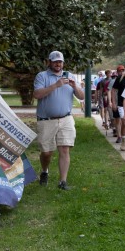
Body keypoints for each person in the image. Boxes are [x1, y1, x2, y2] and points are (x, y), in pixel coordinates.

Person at [33, 50, 85, 190]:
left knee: (64, 150)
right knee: (46, 152)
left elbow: (81, 96)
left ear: (63, 63)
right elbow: (37, 94)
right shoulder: (42, 76)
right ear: (49, 62)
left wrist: (75, 86)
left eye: (60, 61)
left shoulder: (70, 76)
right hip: (46, 120)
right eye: (55, 61)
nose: (58, 64)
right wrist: (56, 85)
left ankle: (62, 182)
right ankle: (44, 171)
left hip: (66, 119)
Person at [110, 65, 125, 141]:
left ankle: (123, 135)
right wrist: (112, 102)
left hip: (124, 103)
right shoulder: (113, 81)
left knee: (123, 120)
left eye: (123, 70)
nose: (121, 72)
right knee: (117, 120)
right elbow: (110, 91)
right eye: (120, 71)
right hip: (117, 102)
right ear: (117, 71)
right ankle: (119, 136)